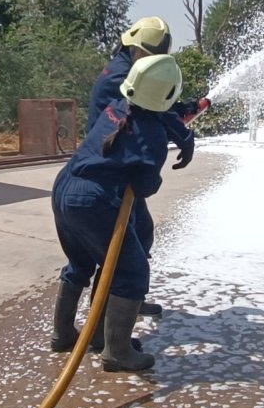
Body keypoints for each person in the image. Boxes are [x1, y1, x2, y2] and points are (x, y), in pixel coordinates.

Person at [51, 54, 183, 371]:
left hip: (64, 187)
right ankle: (117, 351)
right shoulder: (152, 135)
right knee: (132, 272)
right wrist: (155, 173)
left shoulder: (117, 107)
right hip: (91, 201)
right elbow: (145, 186)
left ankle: (64, 334)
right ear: (167, 95)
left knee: (80, 262)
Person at [87, 16, 209, 317]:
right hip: (111, 171)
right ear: (140, 50)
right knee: (120, 248)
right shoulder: (121, 77)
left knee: (140, 233)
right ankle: (104, 325)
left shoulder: (123, 67)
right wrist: (183, 131)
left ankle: (127, 301)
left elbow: (158, 108)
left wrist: (188, 108)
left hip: (118, 163)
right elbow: (153, 114)